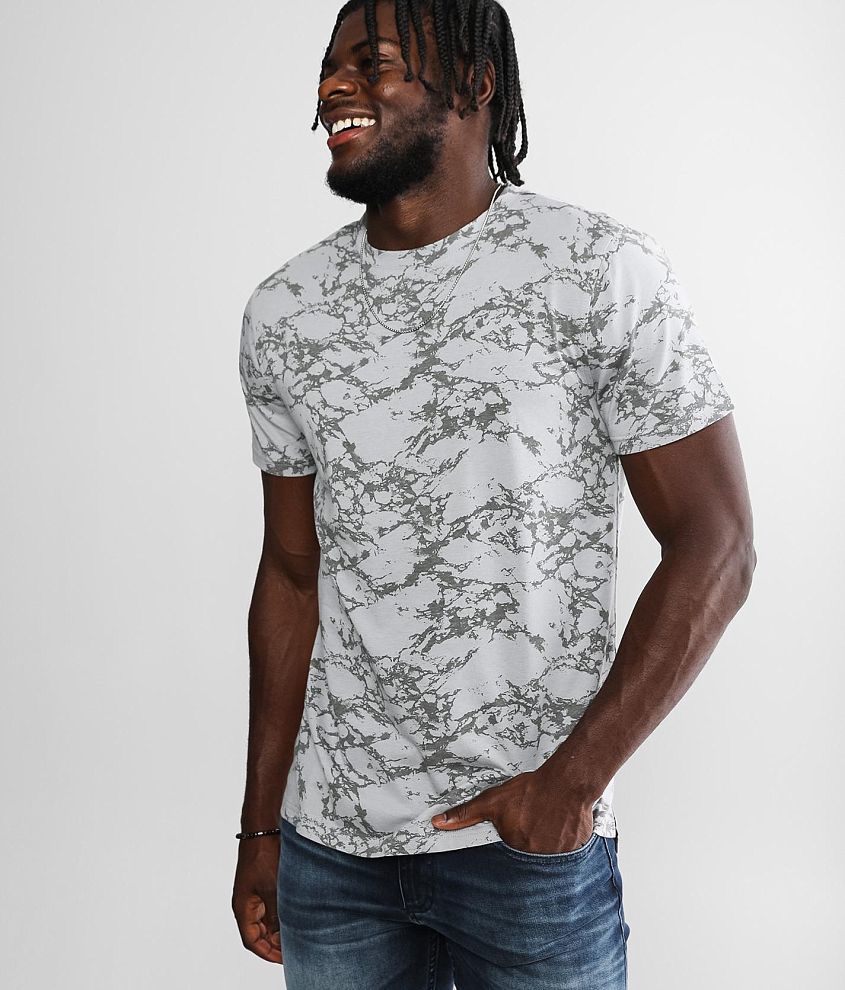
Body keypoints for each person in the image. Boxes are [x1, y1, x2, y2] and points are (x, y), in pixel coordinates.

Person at [231, 1, 756, 987]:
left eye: (374, 62)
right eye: (329, 67)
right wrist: (261, 825)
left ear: (475, 84)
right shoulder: (284, 312)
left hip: (526, 849)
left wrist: (570, 785)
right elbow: (291, 577)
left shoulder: (595, 269)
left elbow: (715, 545)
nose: (335, 86)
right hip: (331, 854)